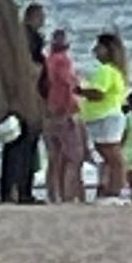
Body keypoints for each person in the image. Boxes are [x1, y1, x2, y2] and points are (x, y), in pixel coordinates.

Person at [0, 1, 47, 204]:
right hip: (27, 98)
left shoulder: (12, 39)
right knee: (25, 146)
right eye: (41, 17)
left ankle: (9, 190)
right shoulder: (30, 38)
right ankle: (22, 191)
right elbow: (33, 68)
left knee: (13, 145)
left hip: (14, 97)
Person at [80, 32, 129, 199]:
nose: (95, 50)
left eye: (99, 47)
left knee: (112, 154)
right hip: (104, 116)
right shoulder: (112, 71)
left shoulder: (106, 70)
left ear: (108, 50)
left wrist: (80, 90)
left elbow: (98, 93)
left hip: (106, 116)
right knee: (107, 154)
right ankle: (109, 187)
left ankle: (115, 190)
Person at [44, 28, 85, 203]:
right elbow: (67, 85)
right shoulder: (63, 62)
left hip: (49, 110)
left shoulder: (48, 61)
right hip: (63, 111)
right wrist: (72, 109)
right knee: (72, 156)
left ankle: (53, 193)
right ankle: (68, 193)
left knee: (54, 156)